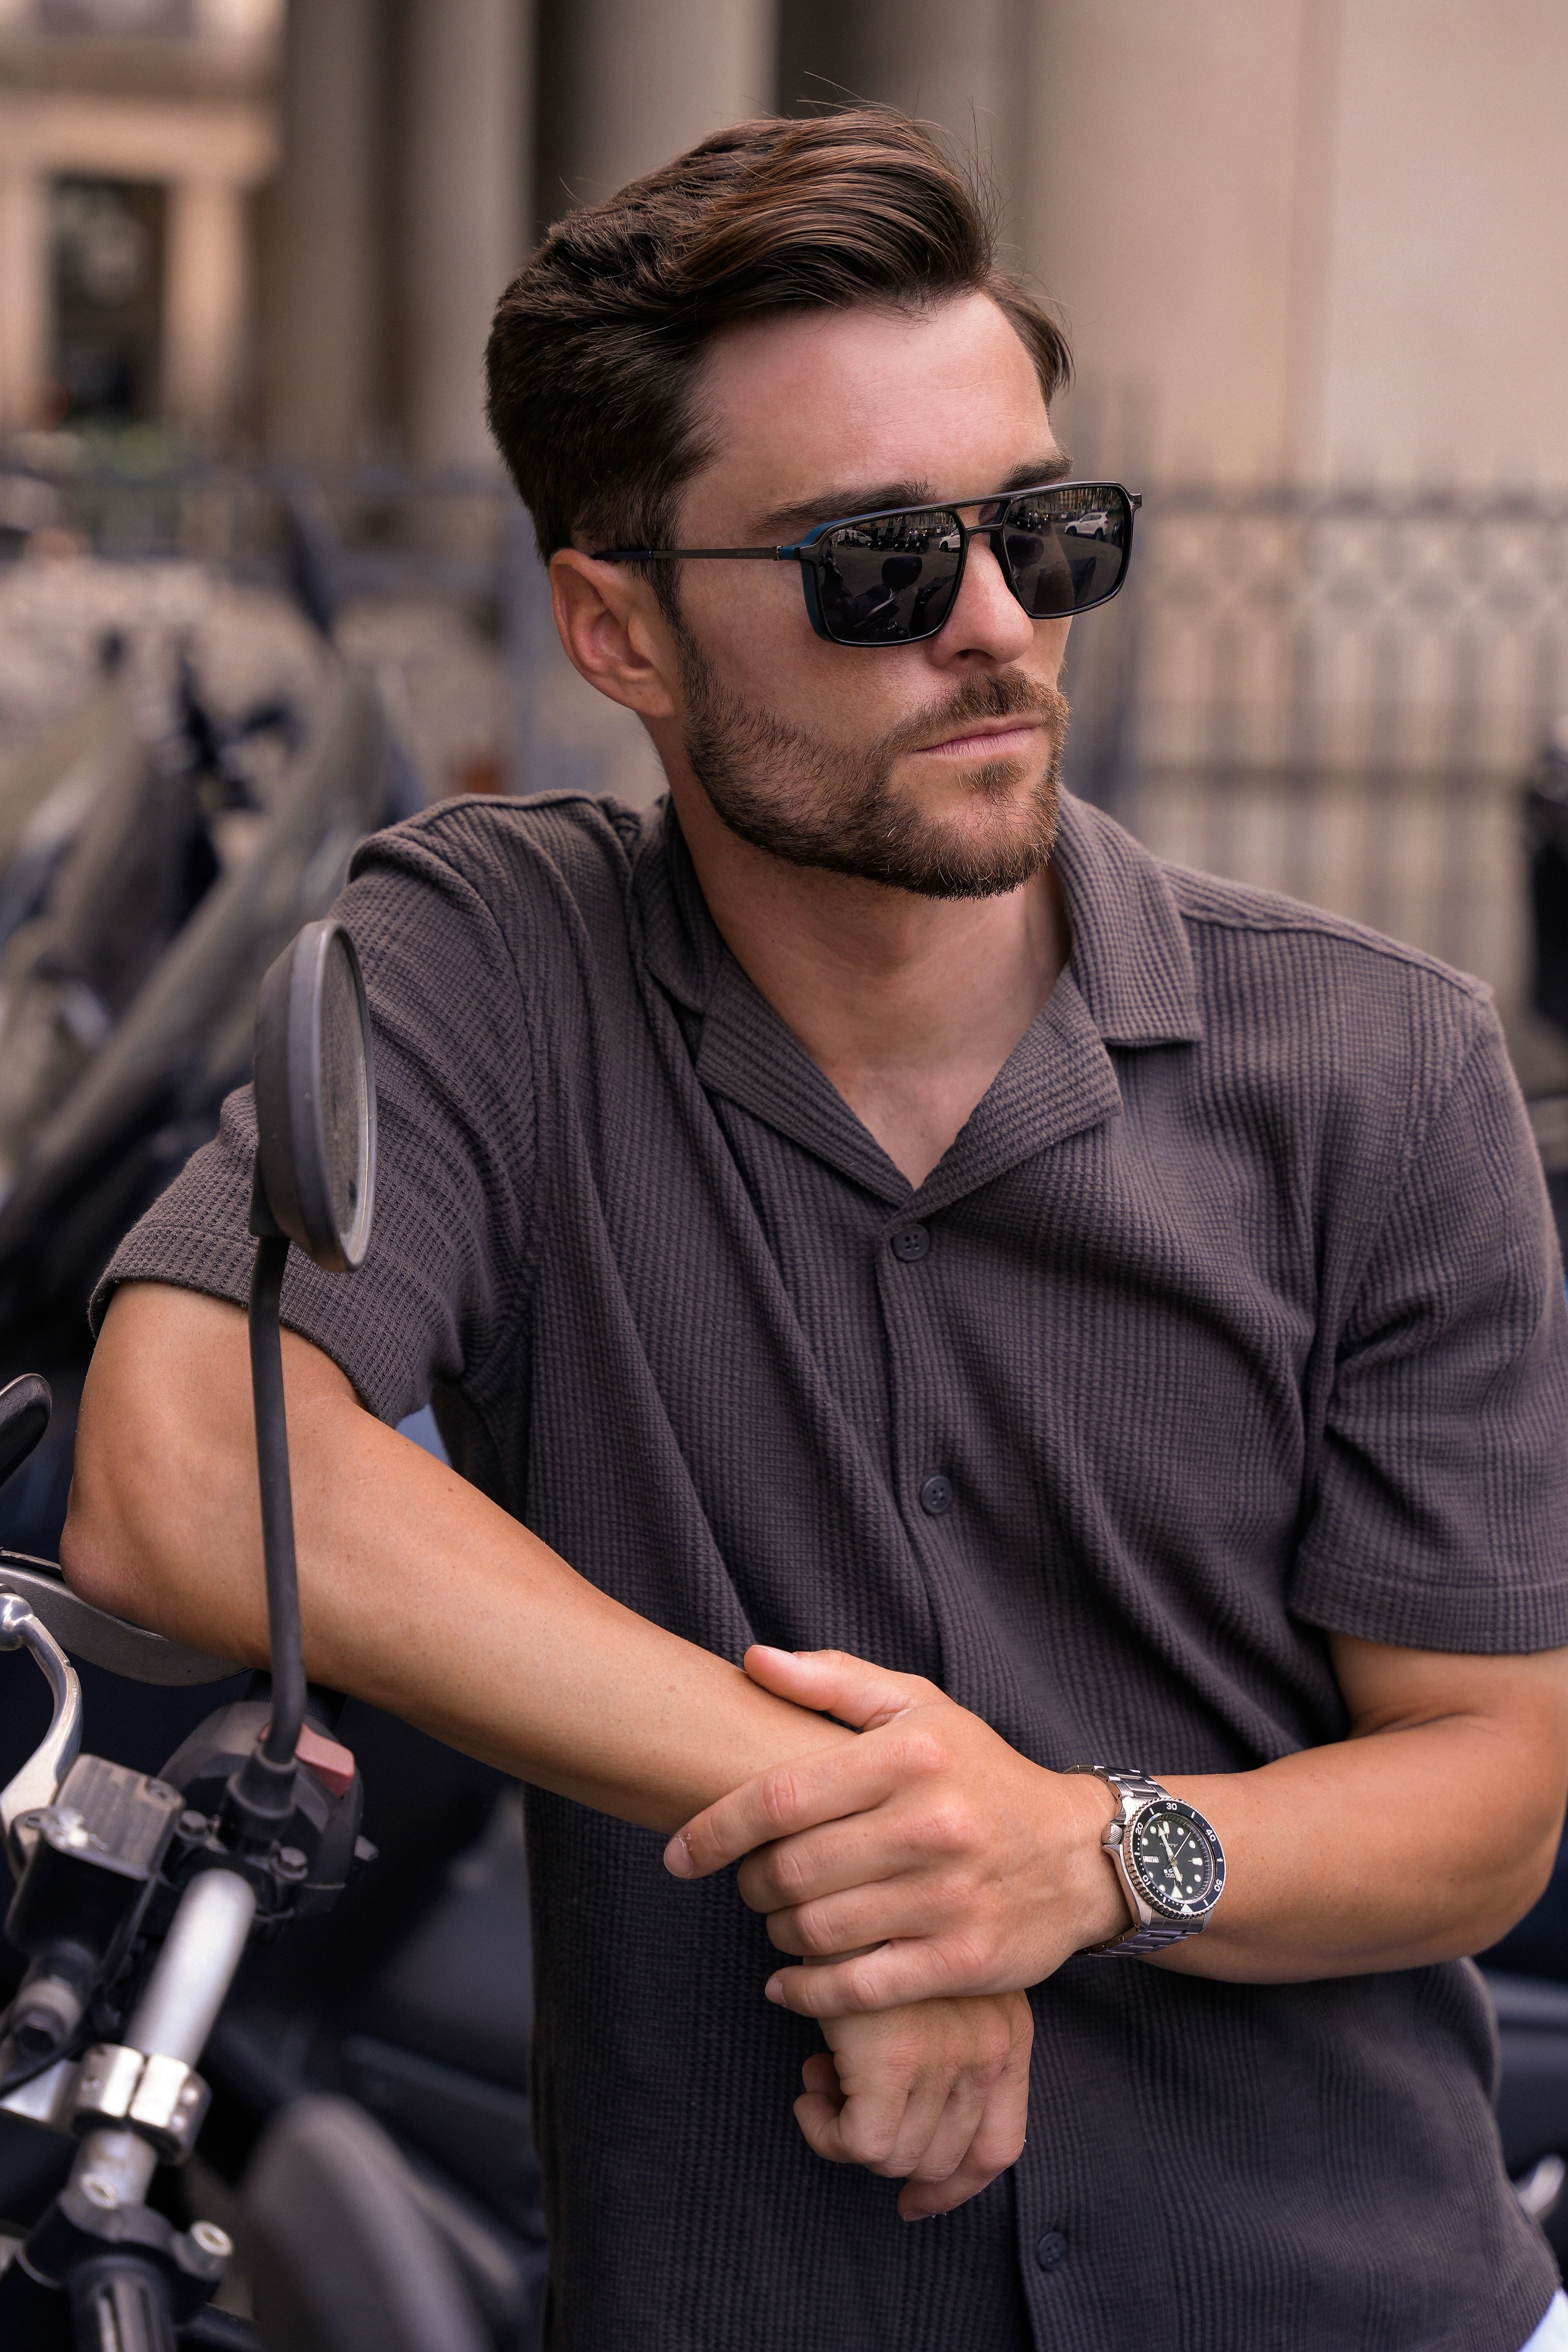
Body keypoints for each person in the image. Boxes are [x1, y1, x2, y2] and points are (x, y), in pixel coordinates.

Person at [62, 110, 1568, 2352]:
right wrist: (865, 1825)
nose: (993, 629)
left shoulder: (1384, 1065)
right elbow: (179, 1480)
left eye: (1045, 534)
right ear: (618, 628)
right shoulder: (500, 961)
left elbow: (1491, 1787)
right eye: (877, 563)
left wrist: (1081, 1855)